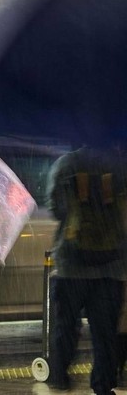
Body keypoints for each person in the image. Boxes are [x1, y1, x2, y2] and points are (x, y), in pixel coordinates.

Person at [45, 143, 127, 395]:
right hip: (110, 265)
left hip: (71, 263)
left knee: (66, 325)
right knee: (105, 333)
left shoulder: (65, 165)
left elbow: (56, 210)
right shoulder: (119, 167)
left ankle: (60, 375)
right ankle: (103, 385)